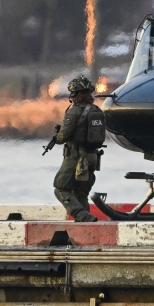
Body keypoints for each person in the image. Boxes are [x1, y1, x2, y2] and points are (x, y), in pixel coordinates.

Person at [52, 76, 105, 222]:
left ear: (80, 94)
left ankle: (82, 216)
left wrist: (56, 139)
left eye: (74, 94)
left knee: (61, 188)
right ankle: (85, 225)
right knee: (81, 193)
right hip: (92, 157)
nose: (72, 97)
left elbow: (63, 136)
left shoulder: (74, 112)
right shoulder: (97, 110)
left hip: (76, 157)